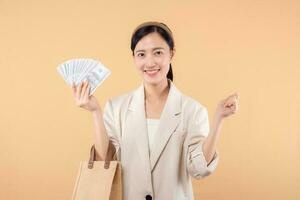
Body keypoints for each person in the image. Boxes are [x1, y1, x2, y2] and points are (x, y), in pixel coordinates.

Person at [71, 21, 239, 200]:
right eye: (141, 54)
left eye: (158, 52)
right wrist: (95, 112)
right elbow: (105, 163)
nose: (150, 62)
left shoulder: (192, 110)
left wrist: (219, 119)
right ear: (134, 57)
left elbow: (198, 169)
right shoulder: (116, 107)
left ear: (171, 54)